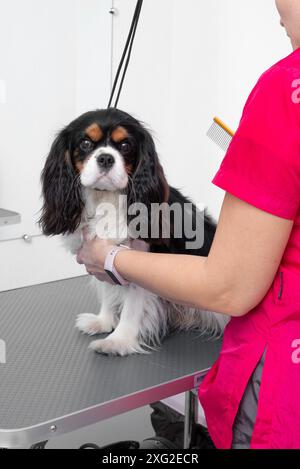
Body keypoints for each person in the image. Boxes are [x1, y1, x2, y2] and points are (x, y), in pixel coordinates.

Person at [76, 0, 300, 449]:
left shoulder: (285, 89)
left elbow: (229, 288)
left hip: (283, 378)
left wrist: (111, 257)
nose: (277, 9)